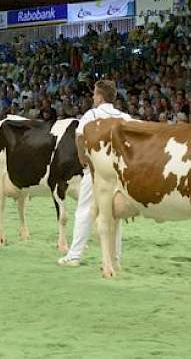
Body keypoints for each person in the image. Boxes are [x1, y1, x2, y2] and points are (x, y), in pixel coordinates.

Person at [58, 80, 131, 267]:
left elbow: (79, 136)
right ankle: (115, 258)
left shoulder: (92, 114)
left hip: (97, 170)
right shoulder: (124, 117)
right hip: (118, 171)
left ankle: (74, 255)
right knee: (114, 214)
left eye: (94, 94)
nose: (92, 97)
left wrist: (83, 157)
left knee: (84, 211)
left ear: (99, 96)